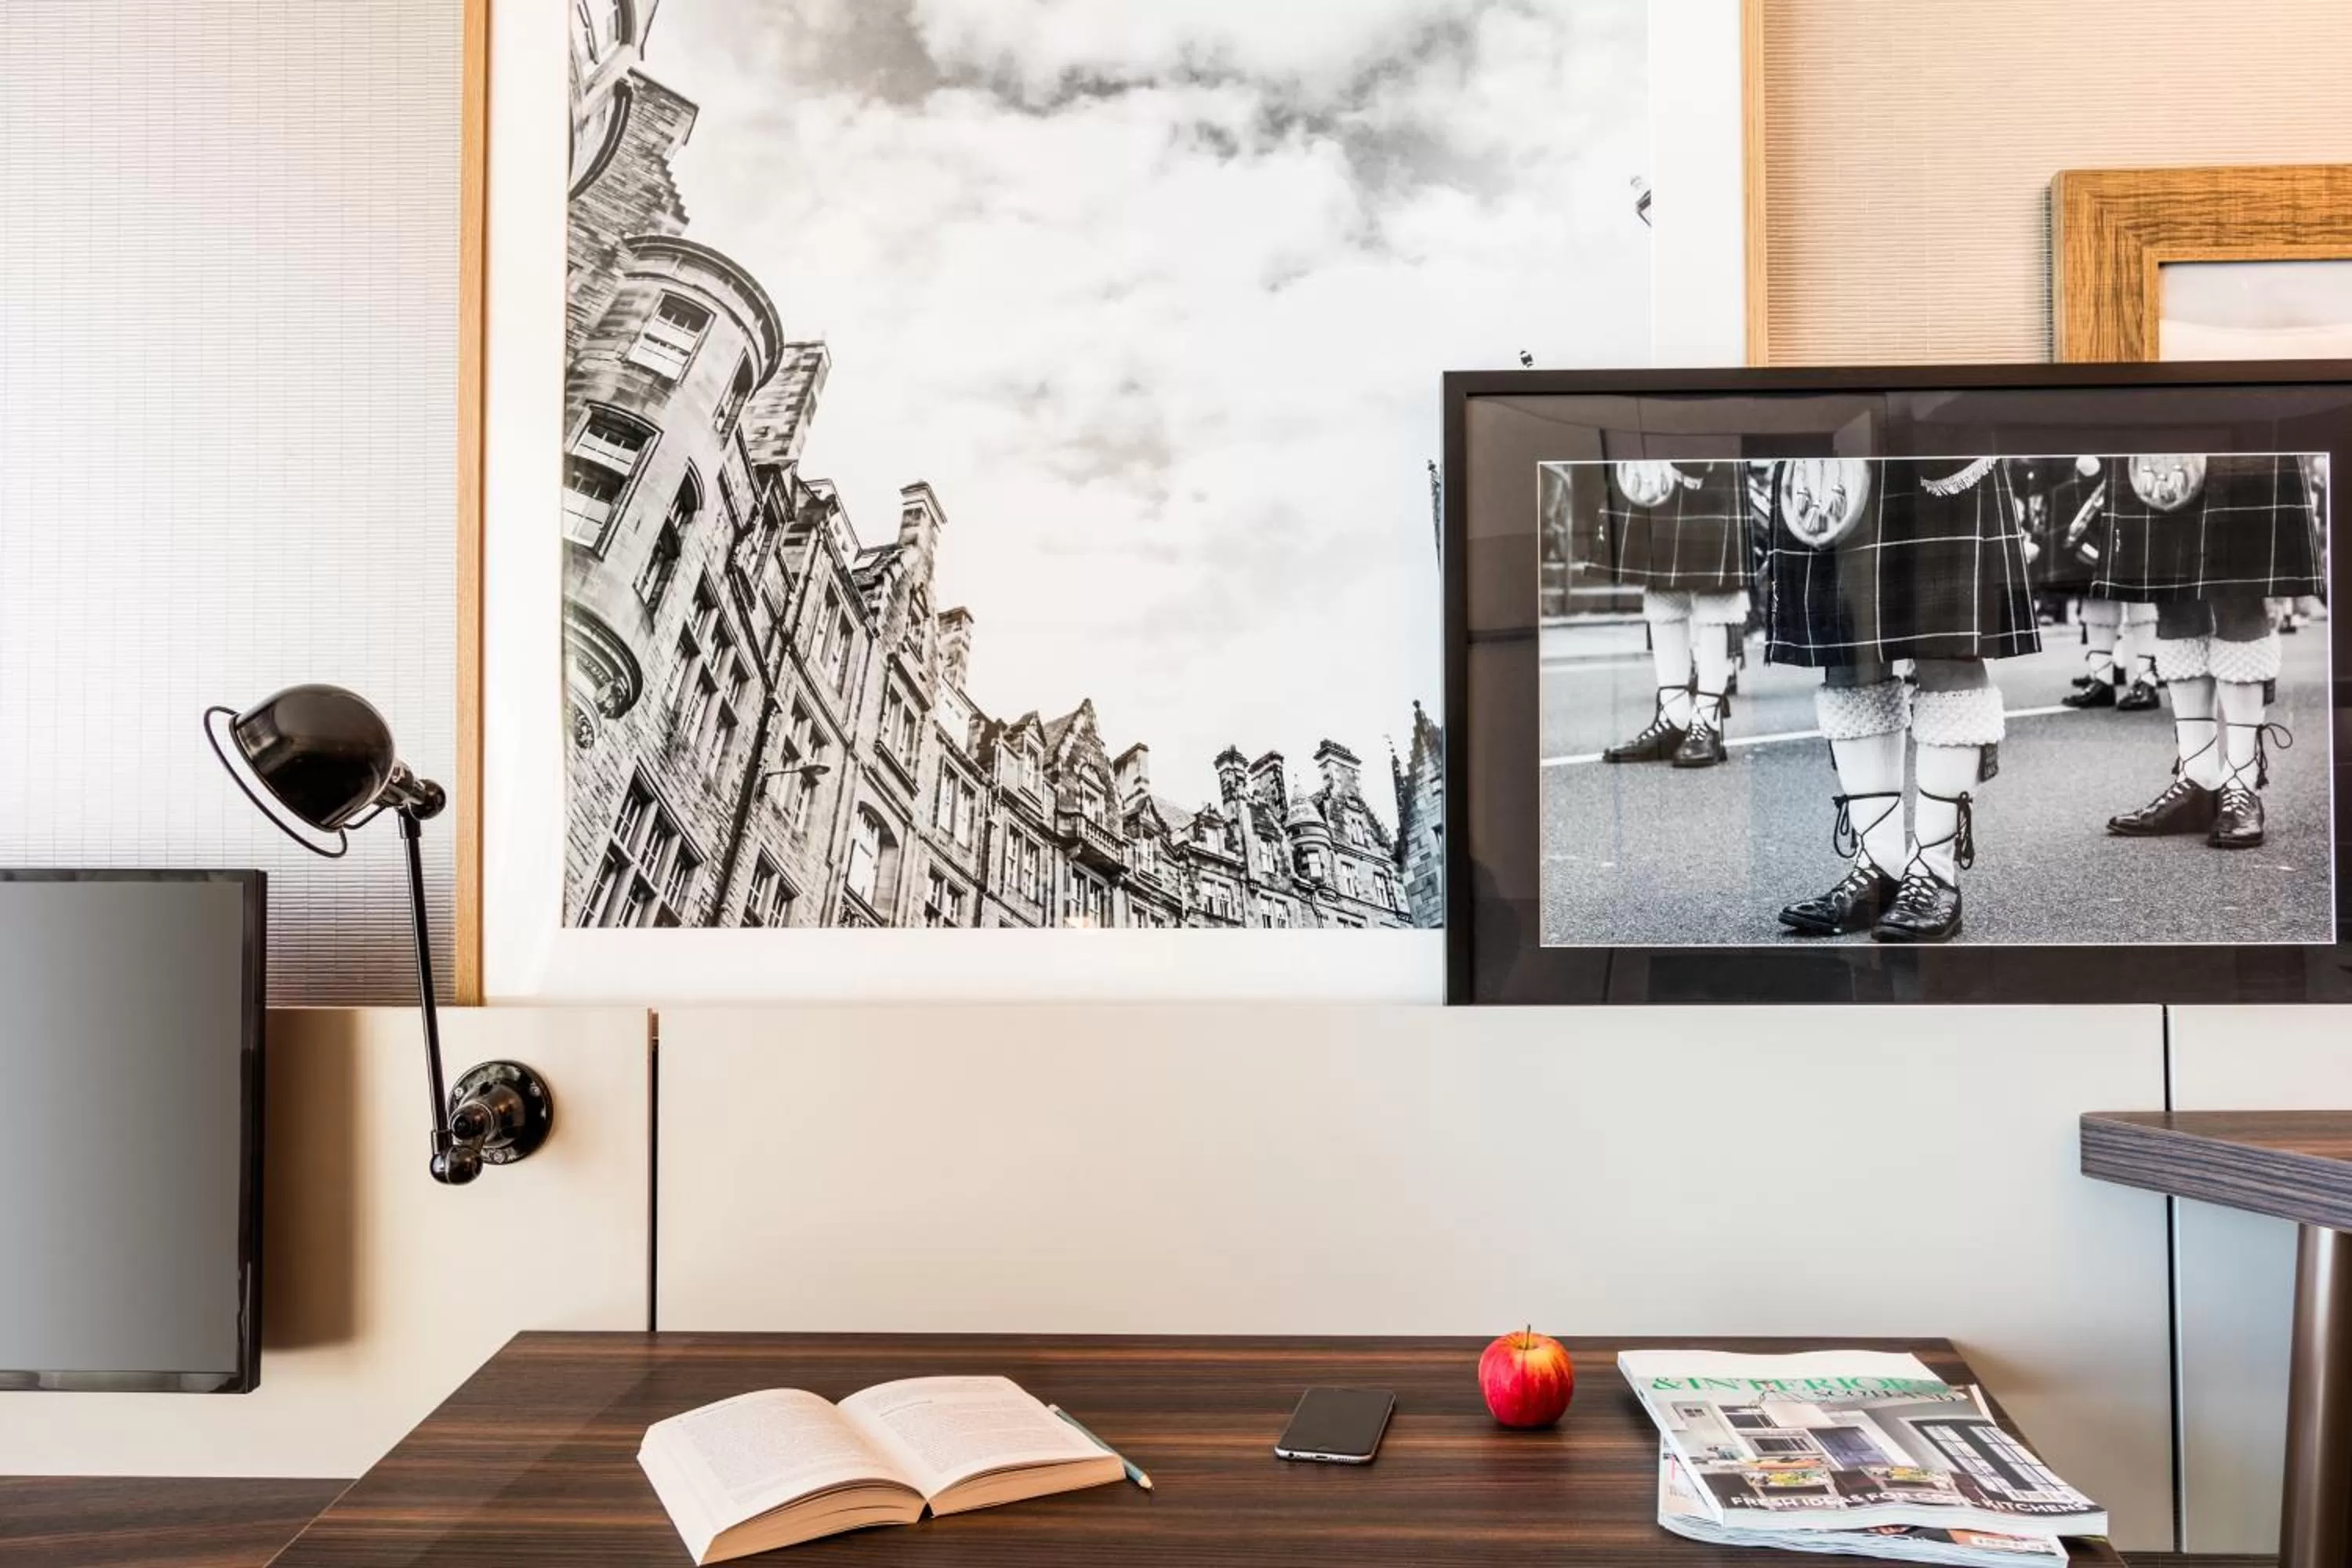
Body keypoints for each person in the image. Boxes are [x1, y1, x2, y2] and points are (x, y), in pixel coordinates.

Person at [1766, 457, 2038, 942]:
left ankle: (1934, 873)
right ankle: (1879, 865)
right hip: (1832, 451)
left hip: (1931, 442)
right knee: (1847, 651)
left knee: (1946, 647)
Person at [2095, 454, 2324, 850]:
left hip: (2239, 434)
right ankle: (2198, 778)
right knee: (2171, 592)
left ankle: (2241, 781)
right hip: (2152, 432)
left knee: (2240, 587)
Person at [1572, 459, 1753, 770]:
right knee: (1660, 581)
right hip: (1651, 450)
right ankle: (1674, 717)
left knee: (1716, 586)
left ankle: (1707, 720)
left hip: (1711, 447)